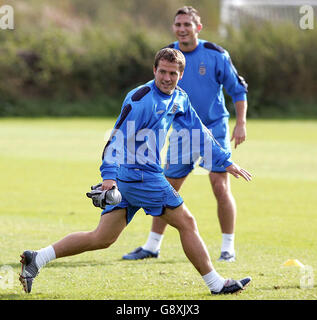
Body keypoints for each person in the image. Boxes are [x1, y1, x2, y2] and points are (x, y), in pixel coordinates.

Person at [19, 48, 252, 295]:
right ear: (154, 70)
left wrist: (225, 160)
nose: (166, 78)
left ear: (181, 75)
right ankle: (216, 284)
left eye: (172, 73)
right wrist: (108, 177)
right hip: (142, 176)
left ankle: (37, 258)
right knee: (187, 223)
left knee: (102, 238)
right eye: (162, 71)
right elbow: (115, 140)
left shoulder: (180, 98)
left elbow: (199, 131)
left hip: (132, 178)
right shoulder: (141, 99)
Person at [123, 6, 248, 262]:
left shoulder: (216, 54)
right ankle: (152, 246)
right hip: (181, 133)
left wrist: (241, 123)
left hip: (214, 128)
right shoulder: (169, 56)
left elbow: (238, 90)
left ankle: (227, 248)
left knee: (220, 186)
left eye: (187, 25)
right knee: (168, 188)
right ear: (174, 28)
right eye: (178, 25)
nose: (182, 29)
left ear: (197, 28)